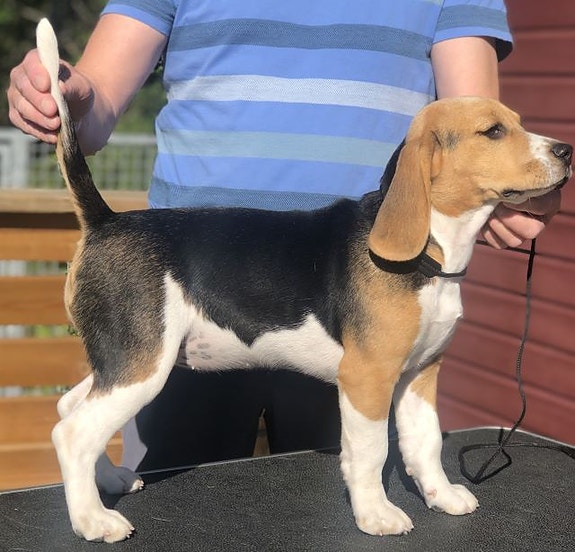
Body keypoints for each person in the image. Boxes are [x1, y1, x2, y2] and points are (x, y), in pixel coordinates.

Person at [7, 1, 561, 473]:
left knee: (341, 523)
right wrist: (70, 103)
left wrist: (516, 187)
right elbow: (97, 101)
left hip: (370, 279)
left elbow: (476, 121)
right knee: (172, 515)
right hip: (190, 275)